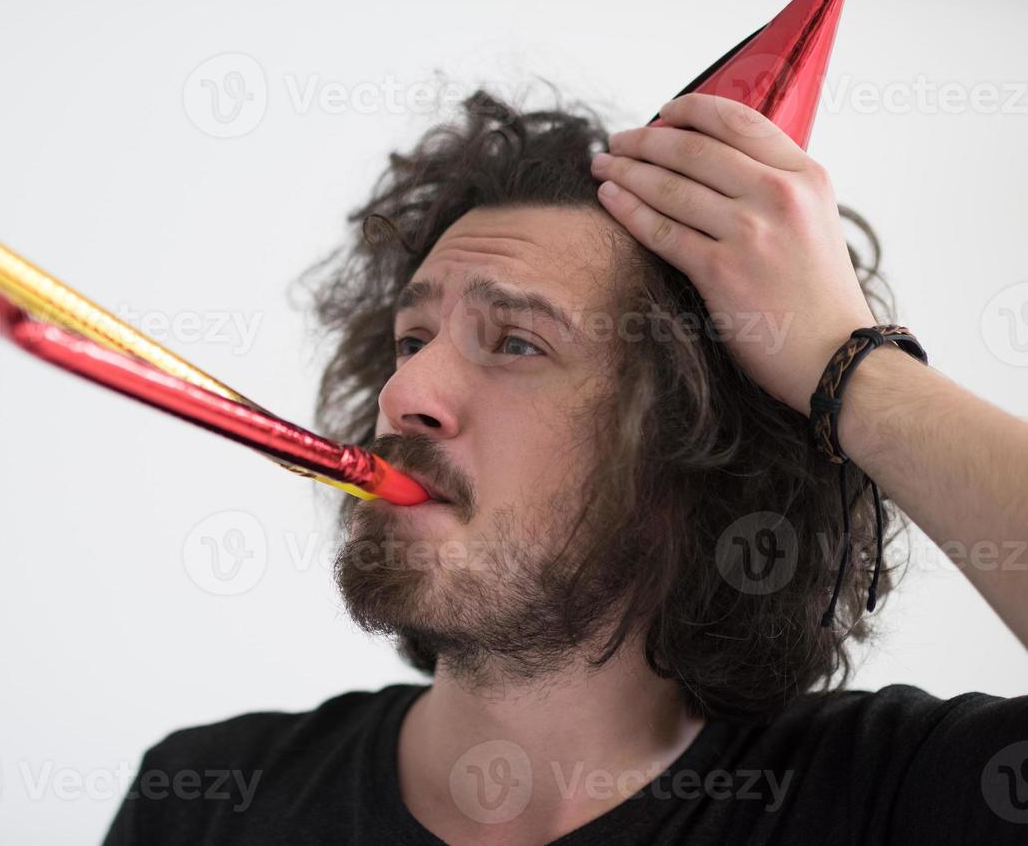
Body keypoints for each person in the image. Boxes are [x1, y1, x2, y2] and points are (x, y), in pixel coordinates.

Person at [103, 89, 1028, 845]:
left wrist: (840, 358)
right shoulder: (203, 806)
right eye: (410, 338)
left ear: (692, 452)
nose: (404, 392)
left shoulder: (896, 802)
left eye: (513, 342)